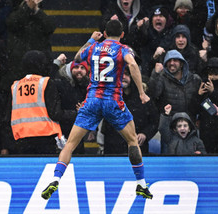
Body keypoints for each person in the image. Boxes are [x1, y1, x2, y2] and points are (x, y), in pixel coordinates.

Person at [41, 20, 153, 200]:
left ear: (105, 33)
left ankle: (56, 178)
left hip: (92, 100)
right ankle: (141, 184)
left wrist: (91, 40)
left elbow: (77, 58)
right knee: (132, 141)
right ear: (122, 35)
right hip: (113, 101)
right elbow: (132, 64)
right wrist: (141, 92)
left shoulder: (93, 47)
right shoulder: (123, 49)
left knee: (70, 144)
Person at [8, 50, 65, 155]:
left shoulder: (15, 86)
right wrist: (75, 113)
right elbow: (55, 113)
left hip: (21, 139)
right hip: (45, 138)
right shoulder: (46, 82)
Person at [102, 66, 158, 154]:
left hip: (138, 148)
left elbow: (154, 122)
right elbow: (106, 126)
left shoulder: (143, 98)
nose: (123, 77)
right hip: (114, 149)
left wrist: (145, 134)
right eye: (120, 75)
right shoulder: (109, 98)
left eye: (127, 74)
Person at [148, 49, 201, 119]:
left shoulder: (194, 79)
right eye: (169, 61)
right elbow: (153, 94)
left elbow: (201, 100)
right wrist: (155, 73)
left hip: (190, 121)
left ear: (181, 64)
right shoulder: (161, 78)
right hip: (170, 121)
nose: (172, 63)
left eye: (175, 60)